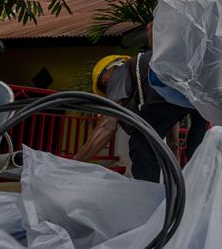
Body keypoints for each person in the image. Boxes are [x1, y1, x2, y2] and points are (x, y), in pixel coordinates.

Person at [73, 24, 207, 181]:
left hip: (181, 81)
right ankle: (198, 196)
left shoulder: (120, 73)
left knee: (141, 143)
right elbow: (173, 142)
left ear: (110, 71)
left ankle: (147, 200)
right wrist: (175, 185)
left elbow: (106, 126)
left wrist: (73, 164)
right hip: (200, 85)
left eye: (104, 84)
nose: (109, 90)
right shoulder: (149, 83)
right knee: (198, 153)